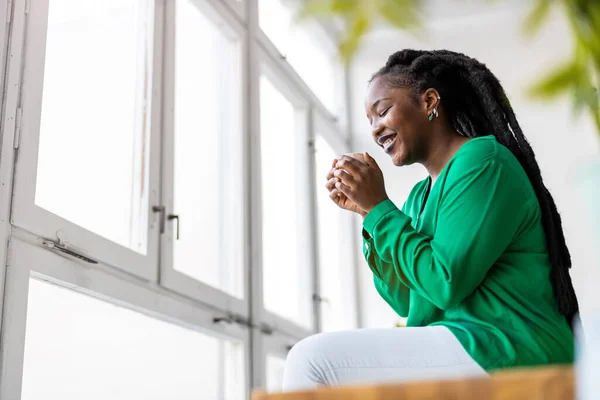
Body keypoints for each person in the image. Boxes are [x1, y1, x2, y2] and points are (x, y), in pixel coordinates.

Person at [282, 49, 578, 391]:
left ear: (429, 101)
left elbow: (444, 283)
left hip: (509, 346)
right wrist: (368, 213)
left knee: (310, 360)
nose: (376, 129)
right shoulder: (419, 197)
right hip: (471, 346)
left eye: (382, 111)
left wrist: (379, 208)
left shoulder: (482, 163)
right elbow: (406, 300)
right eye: (369, 121)